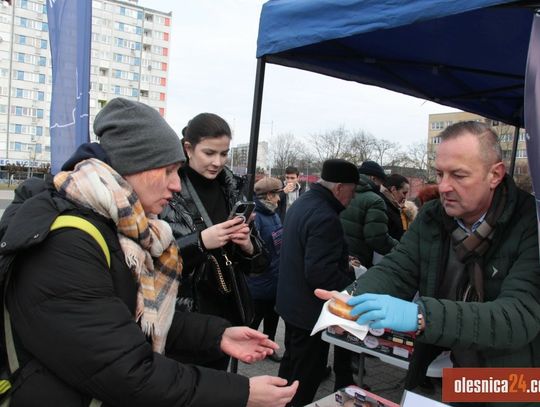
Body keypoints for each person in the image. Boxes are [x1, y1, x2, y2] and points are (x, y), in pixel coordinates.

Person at [1, 98, 297, 406]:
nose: (176, 185)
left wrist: (217, 335)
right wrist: (242, 392)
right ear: (133, 166)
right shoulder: (67, 243)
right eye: (168, 171)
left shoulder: (120, 225)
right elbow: (127, 372)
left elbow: (138, 316)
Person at [318, 121, 540, 407]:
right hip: (453, 361)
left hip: (514, 374)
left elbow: (519, 315)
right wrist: (350, 299)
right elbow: (398, 268)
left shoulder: (531, 224)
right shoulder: (433, 216)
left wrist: (422, 317)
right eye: (439, 173)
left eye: (458, 175)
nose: (444, 186)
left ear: (494, 174)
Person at [160, 113, 267, 370]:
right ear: (188, 148)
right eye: (209, 153)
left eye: (223, 153)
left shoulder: (231, 189)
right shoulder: (167, 189)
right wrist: (200, 242)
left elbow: (259, 265)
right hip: (183, 319)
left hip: (227, 311)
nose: (217, 162)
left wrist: (247, 245)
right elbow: (152, 262)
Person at [276, 159, 359, 406]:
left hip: (291, 305)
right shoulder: (325, 216)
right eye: (352, 193)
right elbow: (320, 275)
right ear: (340, 188)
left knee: (290, 368)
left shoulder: (303, 203)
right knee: (305, 377)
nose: (352, 199)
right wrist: (353, 284)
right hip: (309, 313)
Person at [247, 177, 284, 362]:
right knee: (255, 318)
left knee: (272, 317)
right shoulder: (256, 217)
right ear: (269, 195)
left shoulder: (274, 214)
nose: (279, 199)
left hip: (275, 278)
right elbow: (253, 251)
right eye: (277, 194)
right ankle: (248, 349)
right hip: (259, 281)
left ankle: (268, 348)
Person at [340, 161, 398, 268]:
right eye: (380, 182)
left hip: (341, 258)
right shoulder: (375, 200)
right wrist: (400, 249)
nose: (380, 187)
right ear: (372, 178)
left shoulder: (342, 192)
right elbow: (377, 238)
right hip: (358, 262)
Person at [380, 173, 410, 240]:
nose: (405, 197)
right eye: (404, 193)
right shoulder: (382, 205)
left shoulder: (393, 206)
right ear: (393, 189)